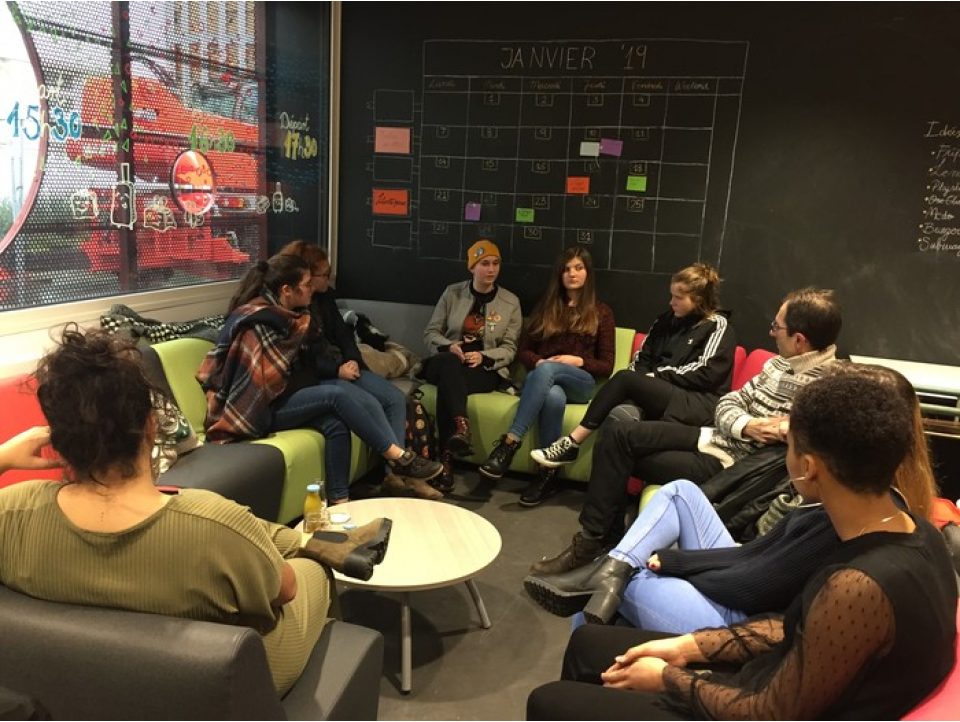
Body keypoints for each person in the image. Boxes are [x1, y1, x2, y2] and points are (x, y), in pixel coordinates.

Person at [528, 373, 957, 720]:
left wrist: (669, 678)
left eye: (787, 446)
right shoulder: (914, 531)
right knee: (589, 645)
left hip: (757, 702)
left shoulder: (858, 585)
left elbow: (770, 710)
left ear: (807, 467)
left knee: (549, 700)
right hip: (771, 678)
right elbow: (792, 629)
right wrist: (687, 647)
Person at [0, 328, 394, 696]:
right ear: (152, 427)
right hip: (227, 683)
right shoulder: (213, 522)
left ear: (55, 438)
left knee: (246, 533)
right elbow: (285, 590)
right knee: (311, 567)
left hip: (80, 688)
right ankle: (321, 549)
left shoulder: (13, 511)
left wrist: (3, 457)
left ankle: (316, 541)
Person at [524, 363, 937, 630]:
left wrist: (675, 564)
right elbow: (755, 557)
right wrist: (675, 559)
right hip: (747, 582)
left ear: (810, 466)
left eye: (786, 444)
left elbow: (750, 582)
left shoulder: (832, 523)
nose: (780, 451)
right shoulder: (862, 501)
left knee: (617, 587)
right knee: (679, 495)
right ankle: (608, 567)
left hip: (738, 616)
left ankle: (604, 584)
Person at [531, 287, 841, 575]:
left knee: (616, 456)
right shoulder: (777, 365)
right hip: (713, 436)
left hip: (729, 466)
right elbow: (727, 403)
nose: (772, 332)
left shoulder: (823, 391)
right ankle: (600, 537)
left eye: (777, 327)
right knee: (619, 433)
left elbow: (782, 454)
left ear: (800, 340)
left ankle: (594, 541)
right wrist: (746, 424)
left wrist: (751, 425)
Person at [198, 254, 442, 502]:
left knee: (336, 423)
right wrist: (321, 377)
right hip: (253, 410)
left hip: (279, 397)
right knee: (336, 395)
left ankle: (339, 502)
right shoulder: (257, 323)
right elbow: (258, 387)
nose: (311, 289)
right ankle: (398, 457)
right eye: (306, 284)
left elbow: (303, 366)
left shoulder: (292, 317)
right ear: (287, 290)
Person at [530, 263, 734, 468]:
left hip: (696, 402)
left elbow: (707, 372)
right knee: (620, 415)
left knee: (624, 378)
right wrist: (643, 382)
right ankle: (602, 497)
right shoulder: (665, 321)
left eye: (678, 298)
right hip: (661, 393)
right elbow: (642, 359)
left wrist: (655, 377)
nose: (671, 302)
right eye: (671, 296)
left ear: (697, 300)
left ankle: (572, 442)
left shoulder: (716, 324)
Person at [276, 240, 433, 498]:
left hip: (344, 366)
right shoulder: (291, 311)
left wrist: (352, 361)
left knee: (394, 398)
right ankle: (399, 468)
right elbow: (304, 357)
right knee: (368, 403)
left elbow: (344, 334)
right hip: (322, 376)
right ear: (302, 279)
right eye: (324, 275)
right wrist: (336, 370)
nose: (330, 278)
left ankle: (395, 475)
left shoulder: (324, 297)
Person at [477, 247, 615, 506]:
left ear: (588, 273)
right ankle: (548, 475)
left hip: (581, 382)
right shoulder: (546, 307)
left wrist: (579, 360)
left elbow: (607, 365)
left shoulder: (602, 312)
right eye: (566, 269)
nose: (572, 274)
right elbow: (524, 351)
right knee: (552, 396)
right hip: (546, 380)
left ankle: (509, 443)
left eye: (578, 268)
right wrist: (539, 361)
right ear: (559, 274)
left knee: (548, 372)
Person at [420, 239, 522, 491]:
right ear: (472, 267)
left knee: (450, 384)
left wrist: (485, 356)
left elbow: (510, 348)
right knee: (448, 365)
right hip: (446, 359)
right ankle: (461, 427)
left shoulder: (511, 302)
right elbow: (430, 333)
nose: (491, 269)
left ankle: (446, 461)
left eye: (495, 263)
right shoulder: (452, 293)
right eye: (484, 264)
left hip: (483, 368)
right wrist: (448, 346)